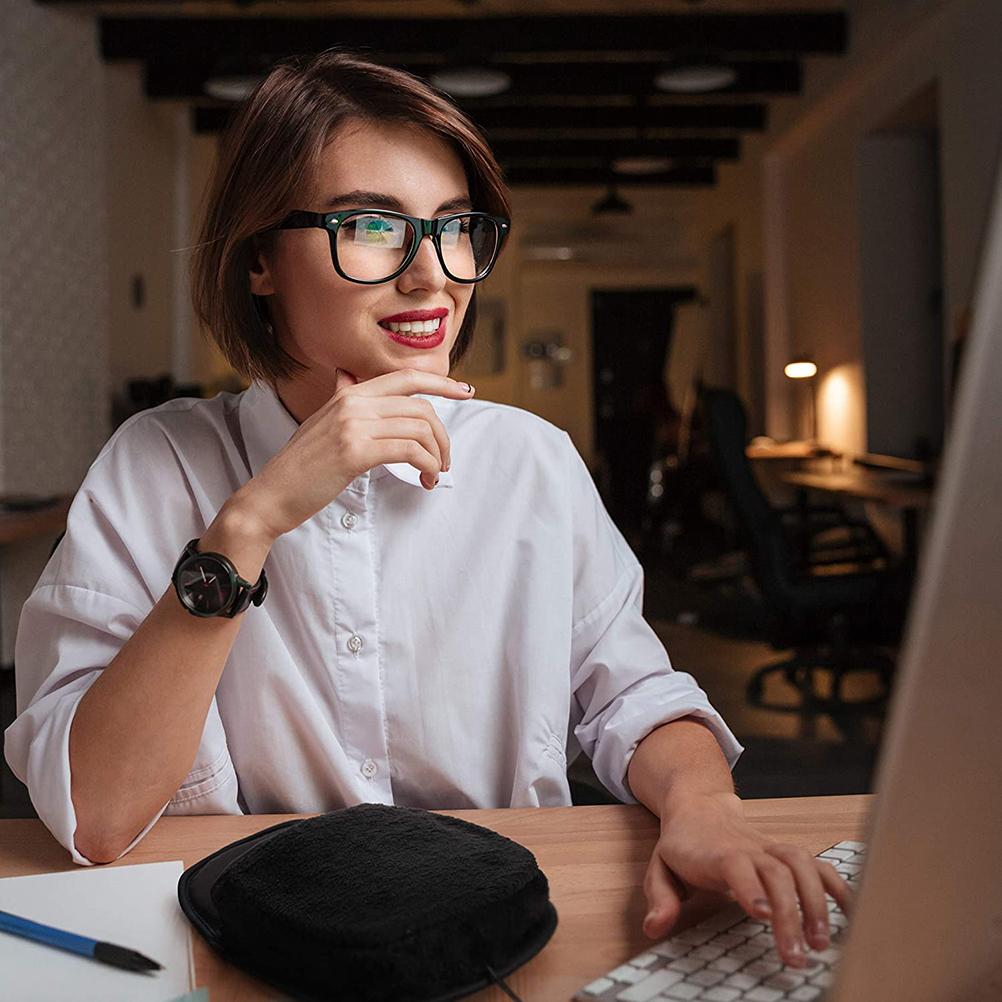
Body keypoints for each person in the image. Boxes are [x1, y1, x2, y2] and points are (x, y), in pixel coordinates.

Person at [4, 50, 850, 968]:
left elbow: (633, 696)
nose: (433, 276)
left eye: (454, 229)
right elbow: (95, 817)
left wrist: (706, 809)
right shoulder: (154, 462)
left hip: (502, 938)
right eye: (373, 226)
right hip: (238, 946)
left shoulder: (531, 461)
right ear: (258, 259)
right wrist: (247, 527)